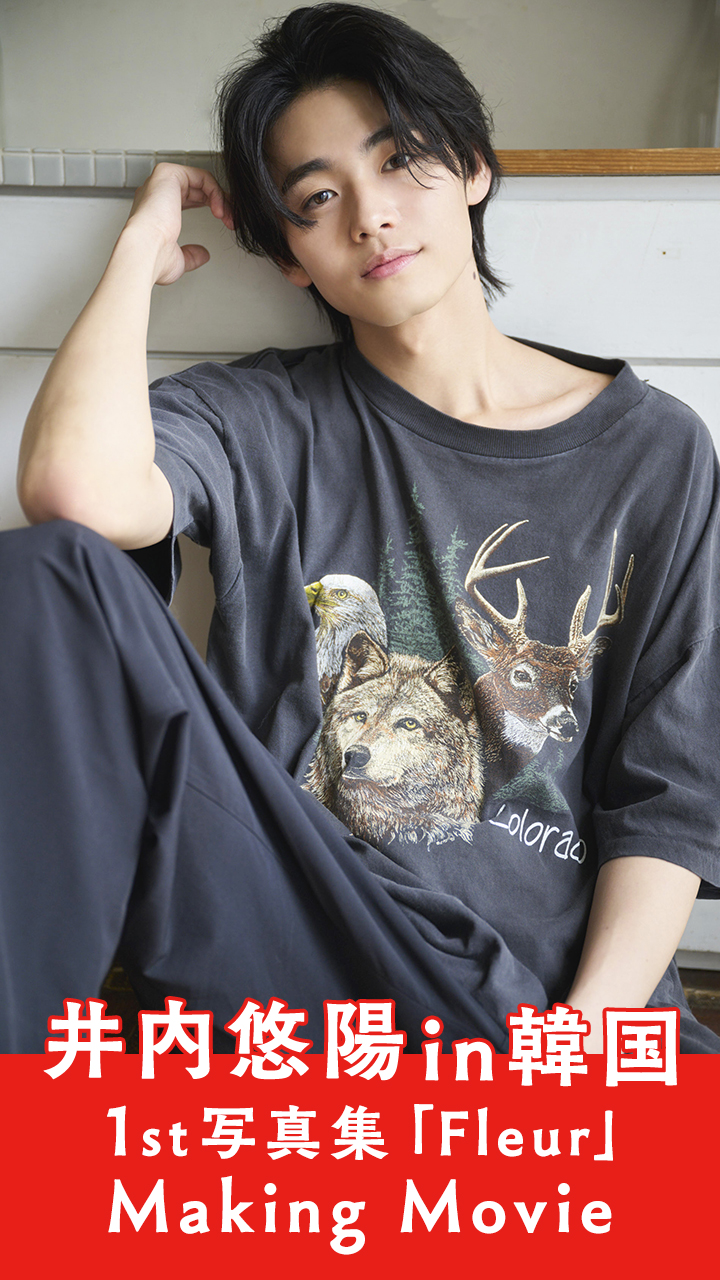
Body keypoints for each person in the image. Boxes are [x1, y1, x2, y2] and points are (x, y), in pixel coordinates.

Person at [7, 3, 720, 1055]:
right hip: (303, 950)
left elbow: (672, 796)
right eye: (317, 198)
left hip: (531, 1008)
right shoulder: (260, 418)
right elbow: (71, 489)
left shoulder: (654, 450)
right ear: (290, 257)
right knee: (48, 574)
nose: (372, 217)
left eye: (400, 161)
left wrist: (578, 1046)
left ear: (472, 165)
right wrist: (137, 249)